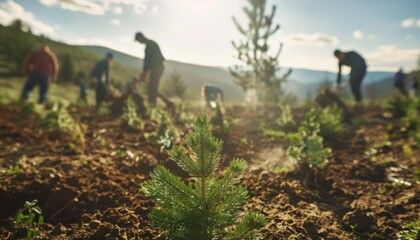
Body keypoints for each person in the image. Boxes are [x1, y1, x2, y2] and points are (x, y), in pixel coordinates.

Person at [134, 32, 173, 108]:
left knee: (152, 88)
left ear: (141, 38)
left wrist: (144, 73)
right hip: (158, 67)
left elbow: (147, 62)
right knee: (152, 87)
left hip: (157, 68)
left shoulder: (149, 46)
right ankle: (168, 102)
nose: (139, 42)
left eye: (138, 40)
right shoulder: (151, 43)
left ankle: (152, 106)